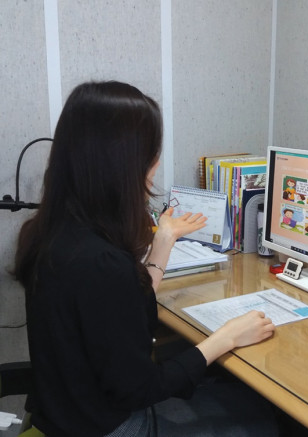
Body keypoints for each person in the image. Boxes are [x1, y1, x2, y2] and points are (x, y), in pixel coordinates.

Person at [13, 81, 277, 436]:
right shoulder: (101, 263)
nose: (155, 164)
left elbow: (116, 314)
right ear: (126, 165)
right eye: (151, 153)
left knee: (225, 388)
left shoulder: (50, 233)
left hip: (65, 413)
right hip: (109, 426)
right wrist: (225, 337)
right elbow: (141, 389)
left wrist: (164, 240)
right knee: (264, 418)